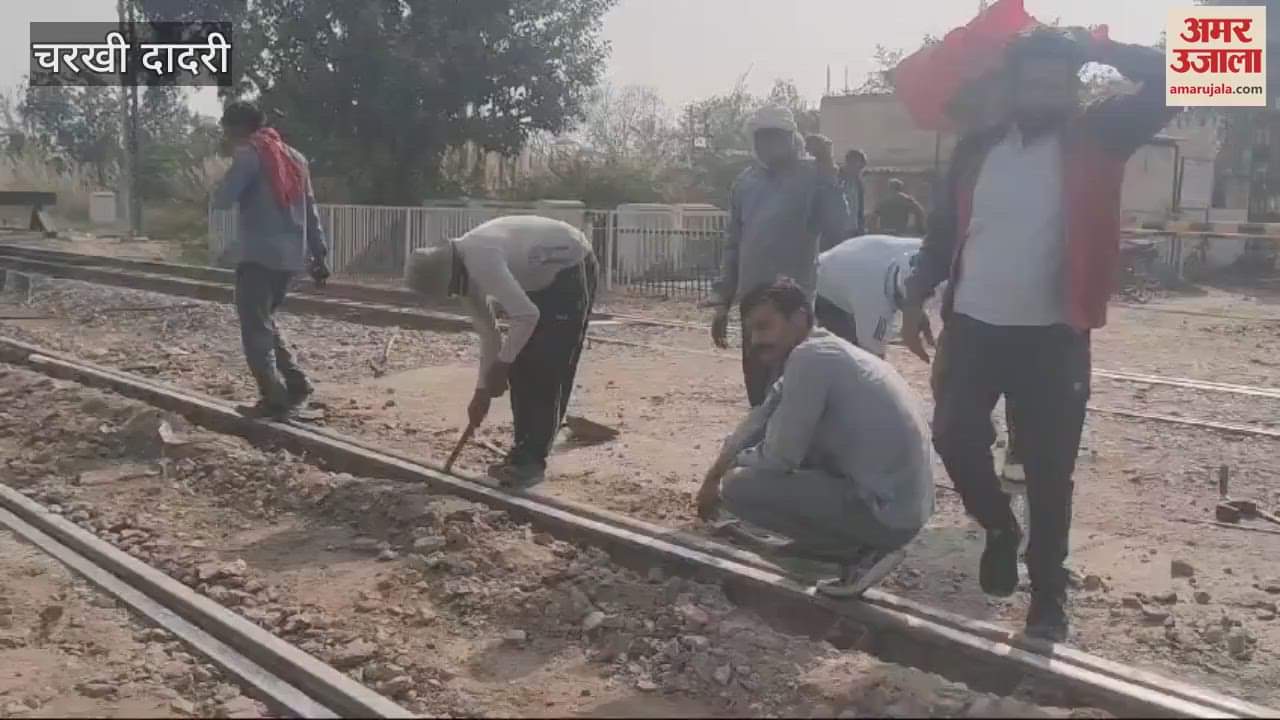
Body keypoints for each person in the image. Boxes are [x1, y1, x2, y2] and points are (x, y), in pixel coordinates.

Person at [898, 27, 1173, 641]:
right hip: (973, 329)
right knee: (951, 436)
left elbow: (1190, 70)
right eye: (1034, 78)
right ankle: (999, 526)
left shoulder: (1102, 135)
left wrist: (1101, 46)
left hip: (1054, 337)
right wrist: (916, 298)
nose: (1044, 89)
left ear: (1072, 86)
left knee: (1051, 474)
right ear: (1016, 86)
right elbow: (944, 233)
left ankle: (1048, 597)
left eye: (1057, 78)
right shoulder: (977, 149)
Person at [695, 278, 935, 597]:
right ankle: (842, 547)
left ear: (799, 318)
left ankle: (853, 555)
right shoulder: (823, 351)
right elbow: (760, 418)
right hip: (903, 507)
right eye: (751, 331)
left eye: (765, 327)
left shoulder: (811, 359)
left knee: (740, 487)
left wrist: (726, 474)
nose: (755, 341)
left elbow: (780, 457)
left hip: (887, 514)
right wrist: (712, 474)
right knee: (770, 459)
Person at [406, 215, 597, 487]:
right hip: (537, 276)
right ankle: (522, 453)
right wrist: (482, 390)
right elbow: (489, 334)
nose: (452, 295)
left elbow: (527, 315)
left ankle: (531, 462)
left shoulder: (480, 259)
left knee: (546, 365)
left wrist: (502, 364)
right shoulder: (462, 276)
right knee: (520, 363)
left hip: (569, 265)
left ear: (449, 275)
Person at [707, 105, 849, 407]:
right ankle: (765, 452)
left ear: (792, 138)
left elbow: (838, 227)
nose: (769, 145)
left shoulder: (814, 175)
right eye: (762, 138)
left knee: (796, 395)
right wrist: (722, 302)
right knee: (759, 395)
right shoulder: (746, 182)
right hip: (753, 307)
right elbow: (733, 244)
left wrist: (828, 169)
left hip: (793, 309)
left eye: (776, 137)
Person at [211, 101, 329, 420]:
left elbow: (222, 200)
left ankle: (273, 398)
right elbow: (311, 211)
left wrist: (222, 182)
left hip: (258, 256)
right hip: (291, 258)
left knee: (255, 327)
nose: (227, 135)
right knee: (265, 321)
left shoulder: (250, 155)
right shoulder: (296, 158)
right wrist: (319, 254)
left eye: (227, 129)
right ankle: (297, 384)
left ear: (237, 128)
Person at [815, 234, 928, 360]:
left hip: (848, 258)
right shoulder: (874, 306)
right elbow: (874, 362)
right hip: (825, 289)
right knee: (845, 358)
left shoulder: (927, 249)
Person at [839, 149, 868, 240]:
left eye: (861, 168)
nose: (859, 171)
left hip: (854, 230)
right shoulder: (836, 178)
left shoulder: (858, 182)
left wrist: (861, 227)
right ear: (849, 162)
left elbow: (860, 207)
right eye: (858, 167)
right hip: (839, 229)